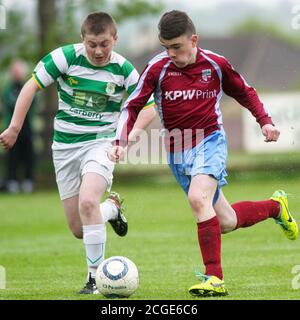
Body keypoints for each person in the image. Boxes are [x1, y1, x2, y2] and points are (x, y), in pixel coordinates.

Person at [110, 10, 298, 297]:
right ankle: (276, 207)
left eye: (177, 47)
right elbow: (132, 105)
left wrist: (266, 121)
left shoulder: (215, 64)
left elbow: (245, 92)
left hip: (210, 142)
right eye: (166, 47)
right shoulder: (157, 68)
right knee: (226, 221)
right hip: (176, 149)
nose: (171, 53)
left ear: (193, 40)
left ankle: (214, 278)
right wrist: (121, 140)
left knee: (198, 199)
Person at [0, 12, 156, 294]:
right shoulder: (64, 58)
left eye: (105, 44)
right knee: (79, 228)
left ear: (115, 39)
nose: (98, 51)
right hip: (64, 148)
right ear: (82, 39)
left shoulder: (124, 70)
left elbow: (148, 107)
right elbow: (29, 87)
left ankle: (95, 279)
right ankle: (112, 209)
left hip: (101, 144)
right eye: (92, 44)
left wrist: (127, 137)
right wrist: (14, 128)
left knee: (87, 204)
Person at [1, 60, 36, 193]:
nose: (17, 74)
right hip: (11, 127)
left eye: (19, 71)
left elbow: (32, 104)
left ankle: (28, 181)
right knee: (12, 157)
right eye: (15, 71)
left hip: (27, 128)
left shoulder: (29, 86)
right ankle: (12, 182)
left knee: (28, 155)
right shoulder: (8, 89)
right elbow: (10, 103)